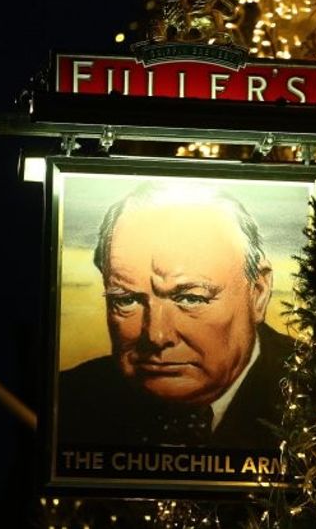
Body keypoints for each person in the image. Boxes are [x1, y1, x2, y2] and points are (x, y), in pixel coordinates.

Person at [57, 183, 295, 450]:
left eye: (191, 298)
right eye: (127, 300)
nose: (157, 336)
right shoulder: (66, 402)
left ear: (258, 293)